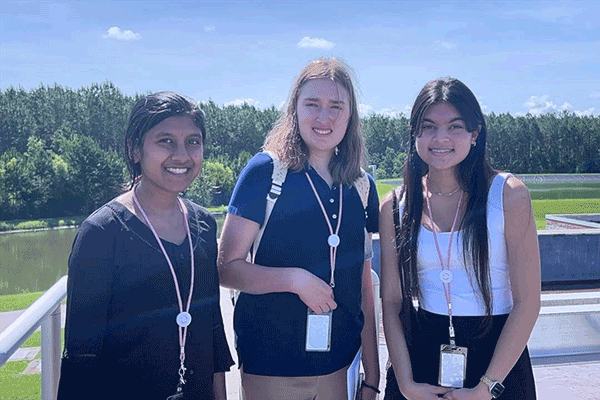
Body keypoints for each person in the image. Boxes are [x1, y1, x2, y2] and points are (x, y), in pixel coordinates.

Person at [217, 58, 380, 400]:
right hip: (271, 363)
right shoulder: (265, 172)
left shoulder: (361, 186)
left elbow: (364, 285)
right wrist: (294, 280)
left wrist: (372, 374)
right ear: (294, 109)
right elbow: (226, 268)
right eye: (312, 104)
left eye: (337, 106)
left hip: (342, 365)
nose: (325, 117)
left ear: (351, 115)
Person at [57, 92, 234, 400]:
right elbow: (81, 359)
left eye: (193, 141)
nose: (182, 155)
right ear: (135, 149)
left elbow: (212, 332)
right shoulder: (102, 233)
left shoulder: (204, 224)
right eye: (166, 141)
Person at [379, 78, 541, 400]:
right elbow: (393, 303)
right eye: (428, 127)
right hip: (421, 360)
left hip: (497, 362)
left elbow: (527, 303)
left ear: (474, 133)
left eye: (455, 127)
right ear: (415, 134)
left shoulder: (508, 195)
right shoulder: (395, 206)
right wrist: (407, 384)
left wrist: (487, 387)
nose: (441, 138)